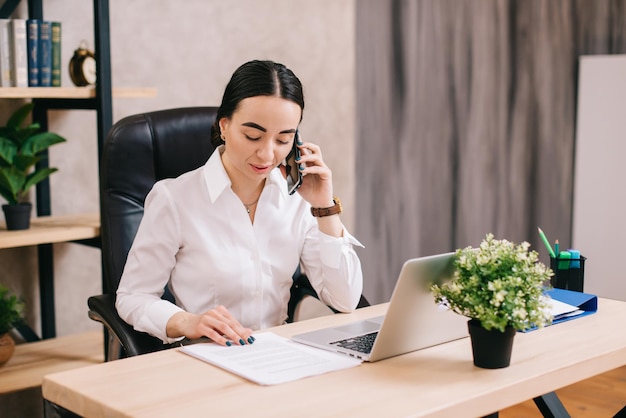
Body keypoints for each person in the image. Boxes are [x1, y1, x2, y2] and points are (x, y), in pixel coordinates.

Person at [116, 60, 364, 347]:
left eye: (283, 140)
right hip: (207, 356)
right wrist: (189, 321)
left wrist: (324, 208)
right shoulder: (174, 199)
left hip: (277, 355)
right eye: (253, 136)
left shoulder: (297, 201)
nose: (267, 154)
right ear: (224, 126)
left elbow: (345, 301)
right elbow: (133, 297)